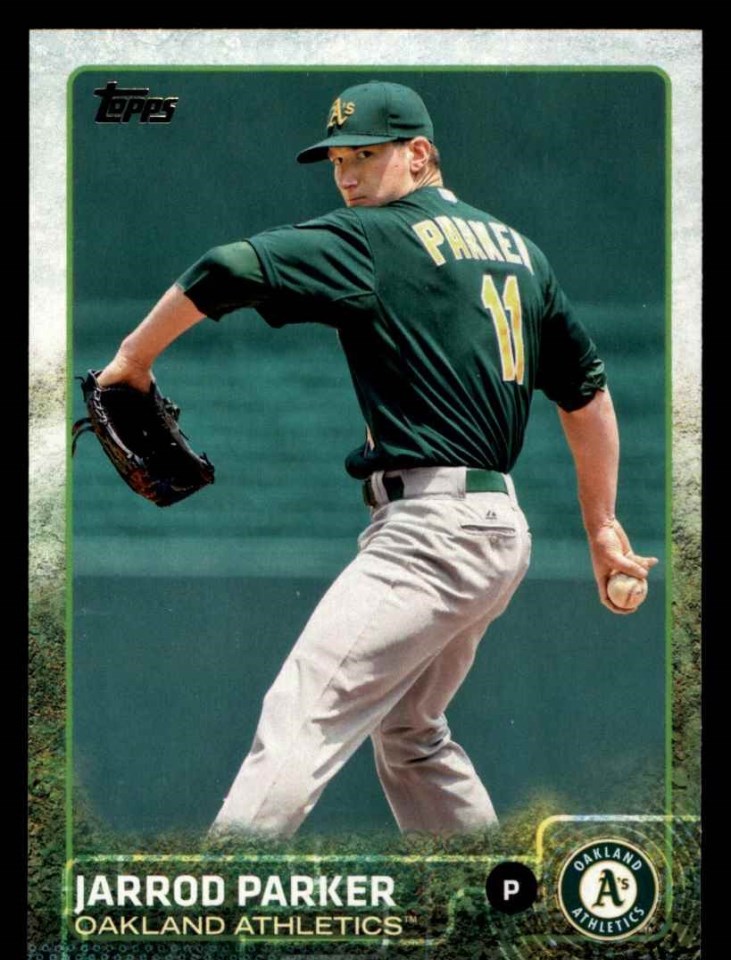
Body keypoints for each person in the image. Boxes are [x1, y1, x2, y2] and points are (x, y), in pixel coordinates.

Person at [97, 81, 657, 838]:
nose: (346, 176)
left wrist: (131, 361)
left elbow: (224, 267)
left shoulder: (376, 237)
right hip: (496, 528)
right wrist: (601, 526)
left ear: (418, 153)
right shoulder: (521, 252)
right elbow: (586, 396)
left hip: (431, 532)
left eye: (364, 155)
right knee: (410, 732)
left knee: (303, 711)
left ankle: (223, 894)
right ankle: (488, 896)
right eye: (336, 161)